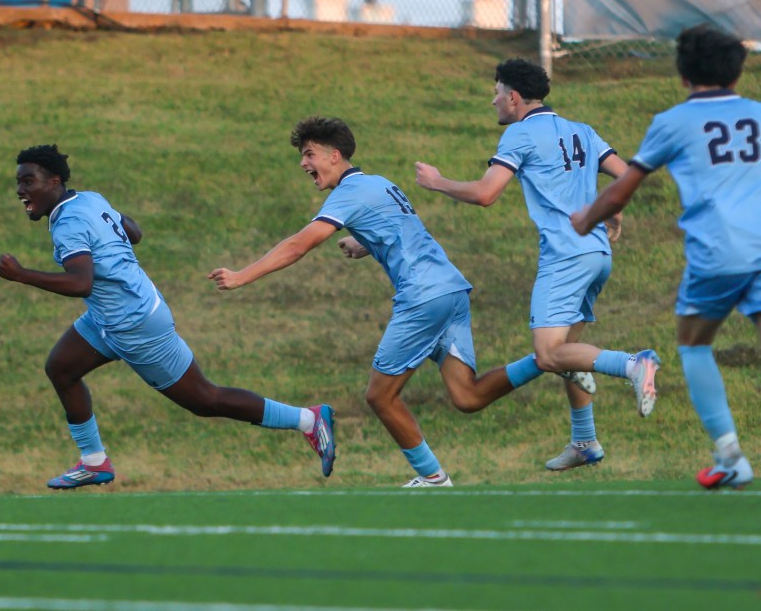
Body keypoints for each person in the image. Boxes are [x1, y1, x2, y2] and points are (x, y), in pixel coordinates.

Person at [569, 23, 761, 489]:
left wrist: (586, 219)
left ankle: (730, 456)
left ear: (683, 75)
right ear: (738, 73)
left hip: (718, 251)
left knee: (693, 343)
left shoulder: (675, 122)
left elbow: (623, 188)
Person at [209, 117, 556, 486]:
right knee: (467, 396)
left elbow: (299, 244)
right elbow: (401, 230)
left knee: (380, 395)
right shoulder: (379, 183)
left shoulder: (347, 193)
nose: (303, 163)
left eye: (309, 154)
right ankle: (550, 360)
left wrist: (242, 275)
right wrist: (365, 242)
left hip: (422, 298)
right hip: (451, 291)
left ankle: (433, 478)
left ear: (334, 155)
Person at [0, 145, 335, 489]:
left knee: (205, 399)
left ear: (55, 181)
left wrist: (22, 275)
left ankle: (308, 420)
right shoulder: (88, 199)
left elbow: (80, 283)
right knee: (61, 368)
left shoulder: (69, 223)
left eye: (29, 181)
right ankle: (94, 462)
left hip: (135, 323)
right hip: (108, 317)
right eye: (19, 182)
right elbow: (134, 232)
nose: (21, 189)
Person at [415, 59, 661, 473]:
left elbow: (486, 194)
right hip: (597, 255)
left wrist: (437, 182)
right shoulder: (582, 130)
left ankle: (634, 364)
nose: (493, 101)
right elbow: (626, 174)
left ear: (513, 97)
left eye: (496, 93)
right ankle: (584, 440)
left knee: (548, 355)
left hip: (565, 257)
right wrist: (612, 209)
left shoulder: (520, 134)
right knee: (570, 356)